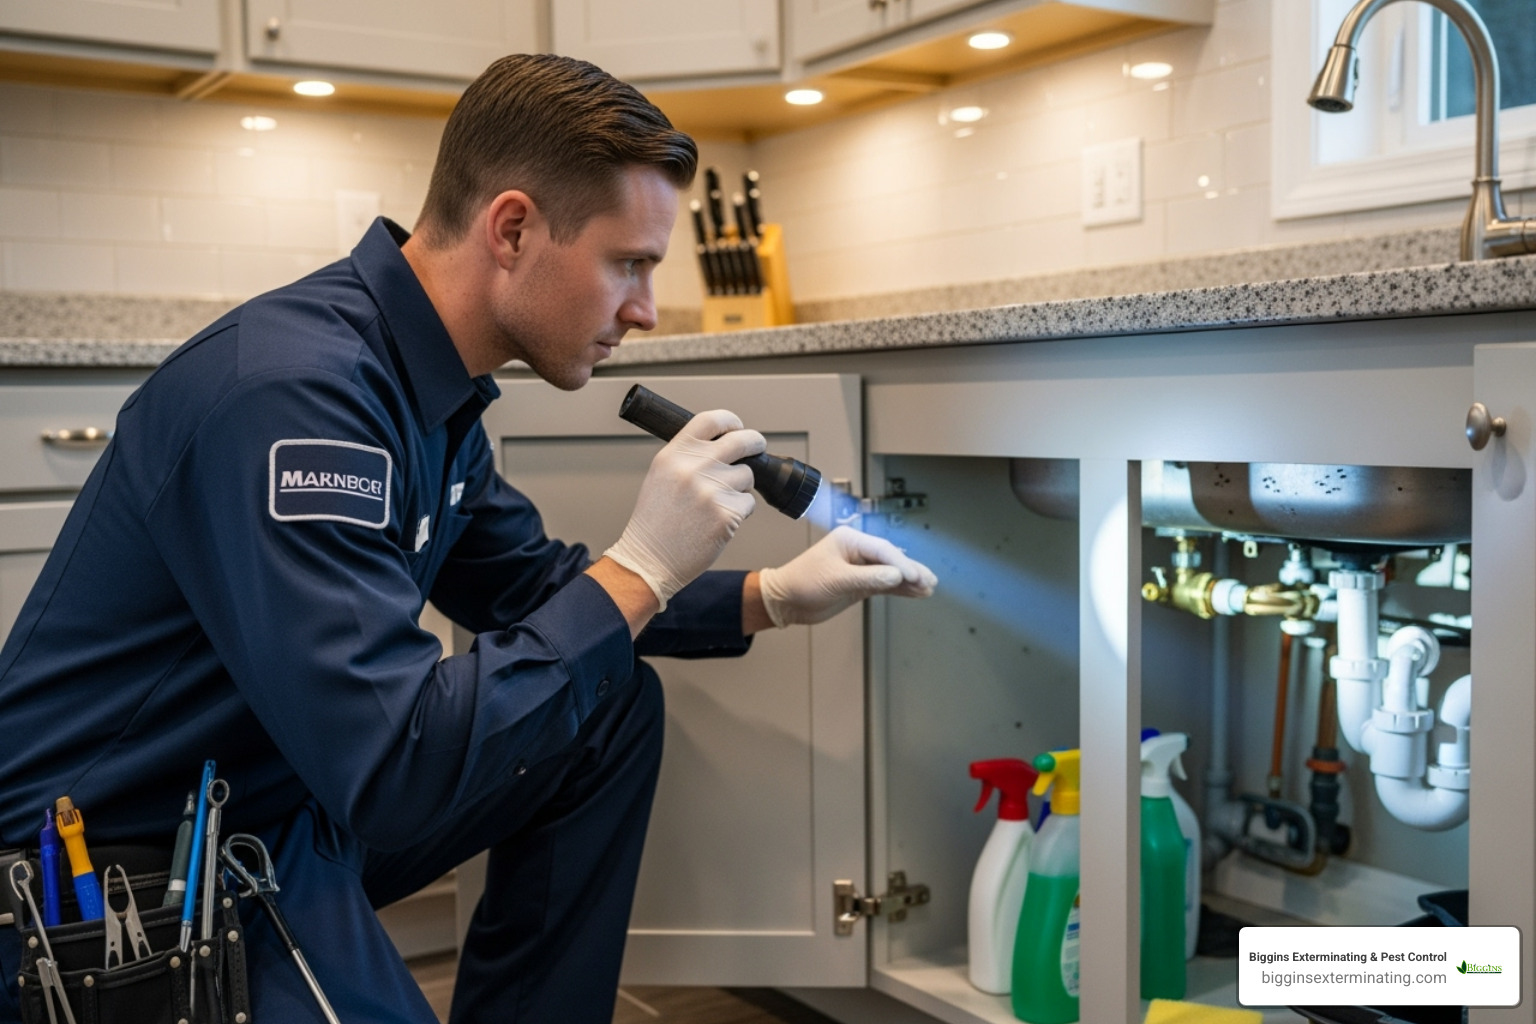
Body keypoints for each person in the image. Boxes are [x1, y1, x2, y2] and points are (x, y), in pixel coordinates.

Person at [0, 53, 936, 1024]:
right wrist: (640, 566)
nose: (646, 311)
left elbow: (530, 587)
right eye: (630, 263)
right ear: (515, 228)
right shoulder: (295, 397)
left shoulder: (424, 391)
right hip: (108, 878)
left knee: (608, 708)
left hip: (284, 805)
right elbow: (398, 773)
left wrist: (771, 595)